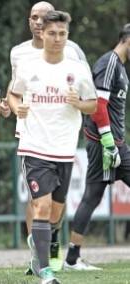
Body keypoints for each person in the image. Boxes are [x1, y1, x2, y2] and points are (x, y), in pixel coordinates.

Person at [8, 10, 97, 284]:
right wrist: (17, 107)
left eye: (62, 34)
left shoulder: (78, 69)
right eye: (52, 33)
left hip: (64, 149)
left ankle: (39, 253)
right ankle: (45, 272)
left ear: (67, 36)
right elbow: (13, 93)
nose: (57, 39)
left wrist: (78, 103)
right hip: (34, 147)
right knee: (42, 207)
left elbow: (93, 105)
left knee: (56, 215)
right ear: (42, 33)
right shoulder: (28, 66)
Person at [64, 23, 130, 271]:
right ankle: (71, 258)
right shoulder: (109, 63)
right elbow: (98, 106)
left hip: (113, 143)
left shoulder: (120, 67)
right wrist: (109, 143)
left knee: (92, 196)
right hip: (107, 145)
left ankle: (72, 257)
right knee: (91, 197)